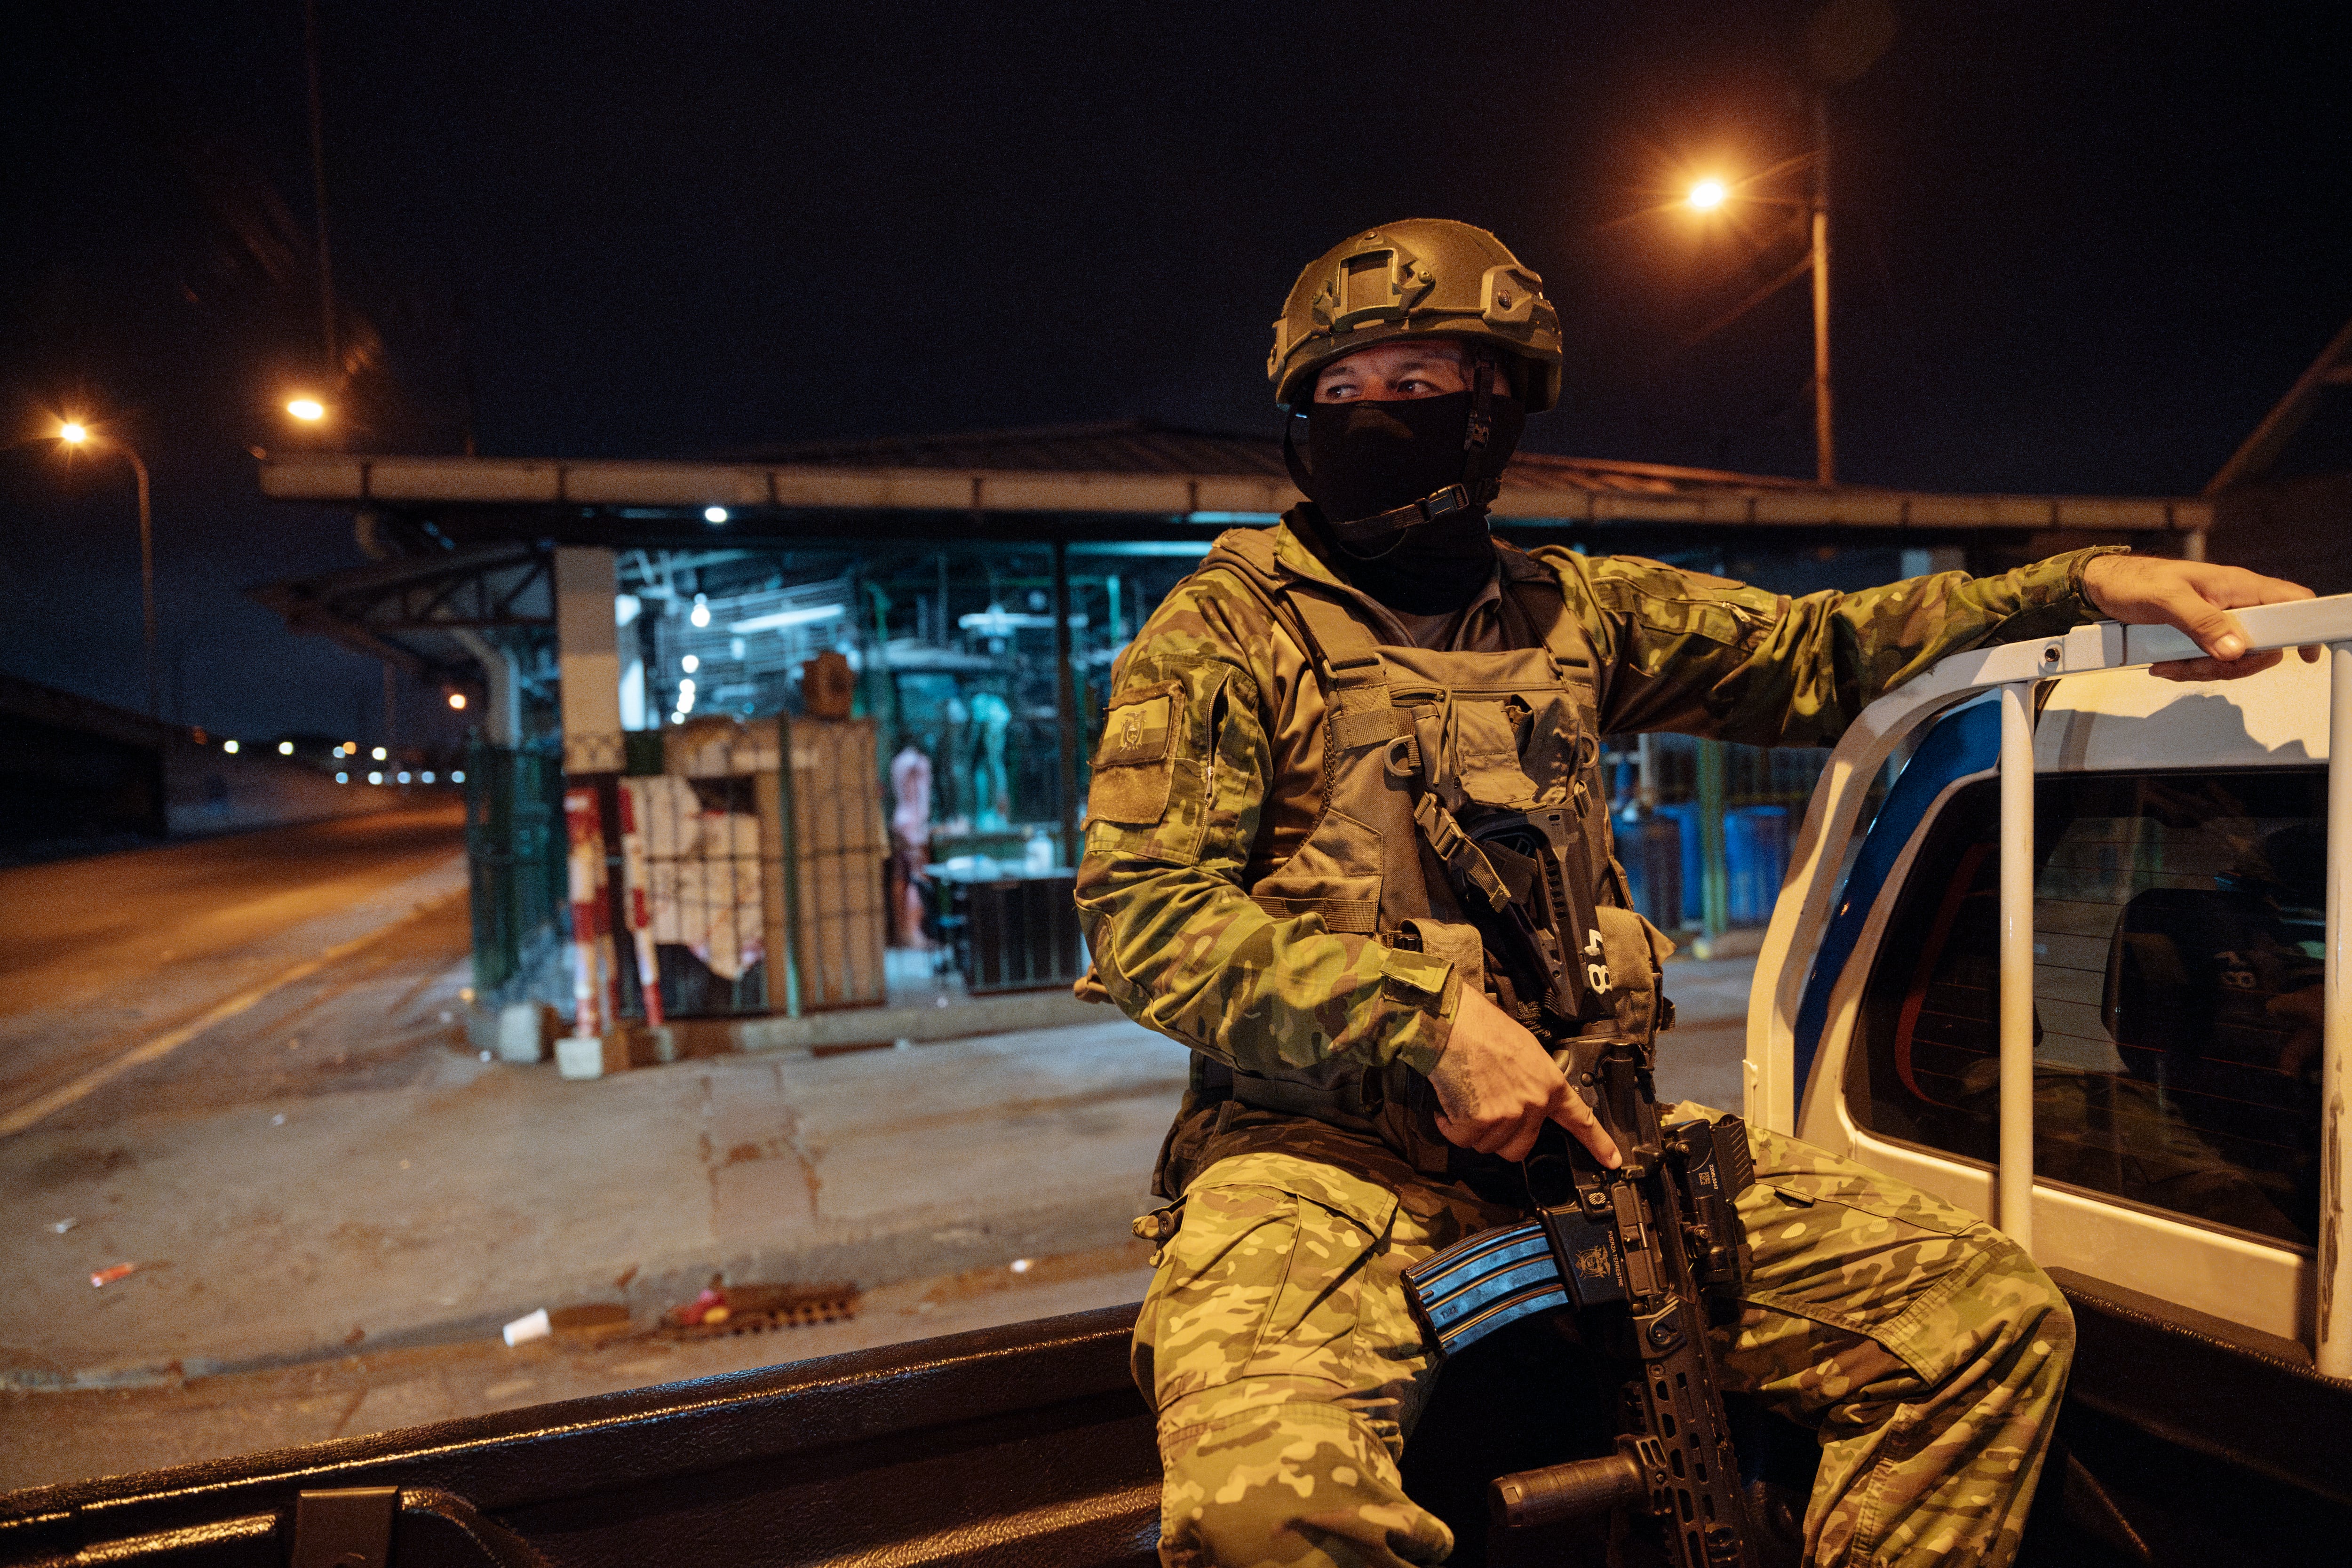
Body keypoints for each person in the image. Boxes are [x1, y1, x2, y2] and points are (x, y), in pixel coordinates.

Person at [1075, 218, 2316, 1568]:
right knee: (1267, 1511)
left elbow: (1817, 651)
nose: (1375, 419)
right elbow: (1145, 913)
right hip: (1323, 1166)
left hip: (1594, 1143)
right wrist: (1423, 1023)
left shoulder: (1571, 613)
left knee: (1984, 1318)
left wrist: (2077, 587)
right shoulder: (1224, 631)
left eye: (1419, 388)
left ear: (1498, 410)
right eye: (1341, 393)